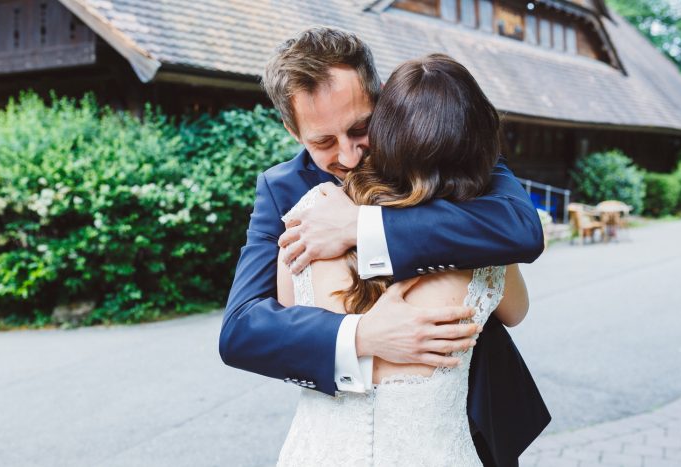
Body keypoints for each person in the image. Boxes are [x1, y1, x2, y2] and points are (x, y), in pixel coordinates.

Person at [219, 27, 550, 466]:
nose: (351, 156)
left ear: (380, 100)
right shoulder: (281, 190)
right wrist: (363, 335)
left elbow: (519, 228)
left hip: (466, 418)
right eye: (323, 142)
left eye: (361, 128)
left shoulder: (439, 143)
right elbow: (241, 330)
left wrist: (364, 226)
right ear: (292, 129)